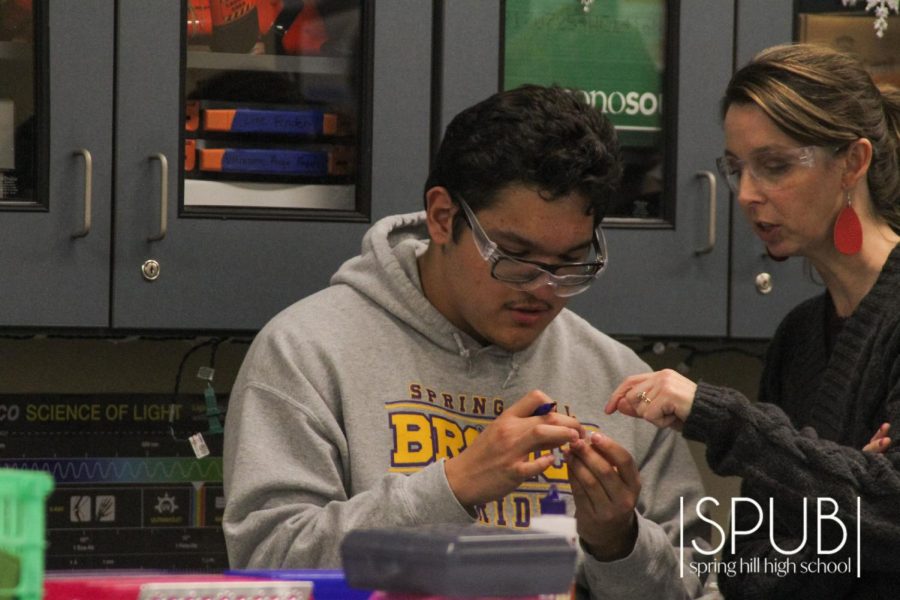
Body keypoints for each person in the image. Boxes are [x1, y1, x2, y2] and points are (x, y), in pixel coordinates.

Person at [223, 84, 710, 598]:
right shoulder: (305, 353)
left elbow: (698, 585)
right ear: (442, 217)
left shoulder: (616, 380)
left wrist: (618, 543)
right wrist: (453, 487)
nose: (543, 288)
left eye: (570, 263)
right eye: (515, 255)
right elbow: (269, 565)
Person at [606, 43, 900, 599]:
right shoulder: (797, 337)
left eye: (775, 166)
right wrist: (849, 494)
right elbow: (745, 570)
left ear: (853, 163)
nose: (745, 195)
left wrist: (725, 420)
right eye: (737, 169)